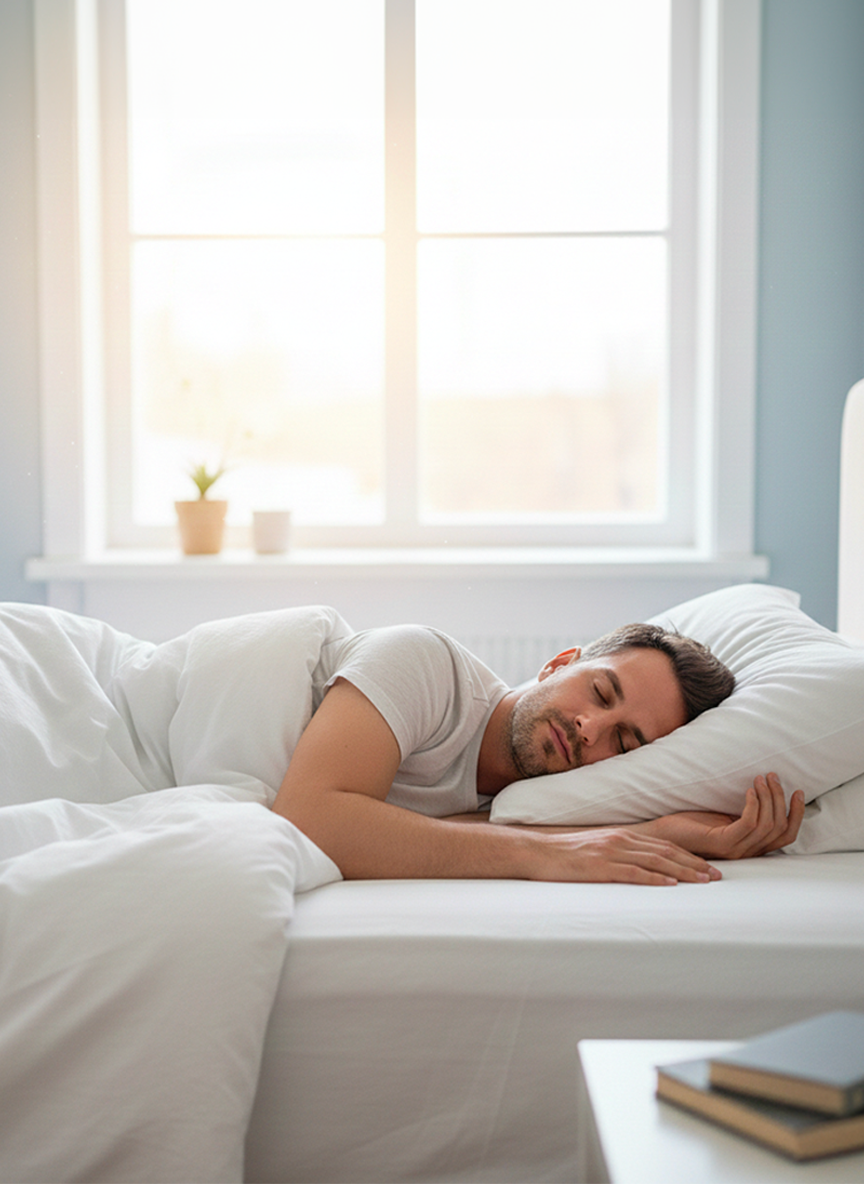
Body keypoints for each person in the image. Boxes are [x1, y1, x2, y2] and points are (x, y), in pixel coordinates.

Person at [272, 620, 805, 885]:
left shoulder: (516, 804)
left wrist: (663, 833)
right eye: (599, 691)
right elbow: (308, 817)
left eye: (624, 742)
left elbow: (437, 837)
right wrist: (544, 856)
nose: (589, 727)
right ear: (558, 662)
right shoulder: (424, 663)